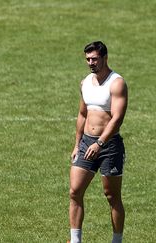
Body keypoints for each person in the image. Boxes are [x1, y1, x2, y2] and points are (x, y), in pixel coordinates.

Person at [68, 41, 128, 243]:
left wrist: (100, 143)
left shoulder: (116, 83)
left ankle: (116, 240)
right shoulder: (85, 82)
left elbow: (117, 118)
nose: (91, 63)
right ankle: (75, 241)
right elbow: (82, 114)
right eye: (88, 59)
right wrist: (77, 144)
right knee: (75, 191)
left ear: (105, 58)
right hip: (86, 143)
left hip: (108, 146)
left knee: (111, 196)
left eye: (94, 59)